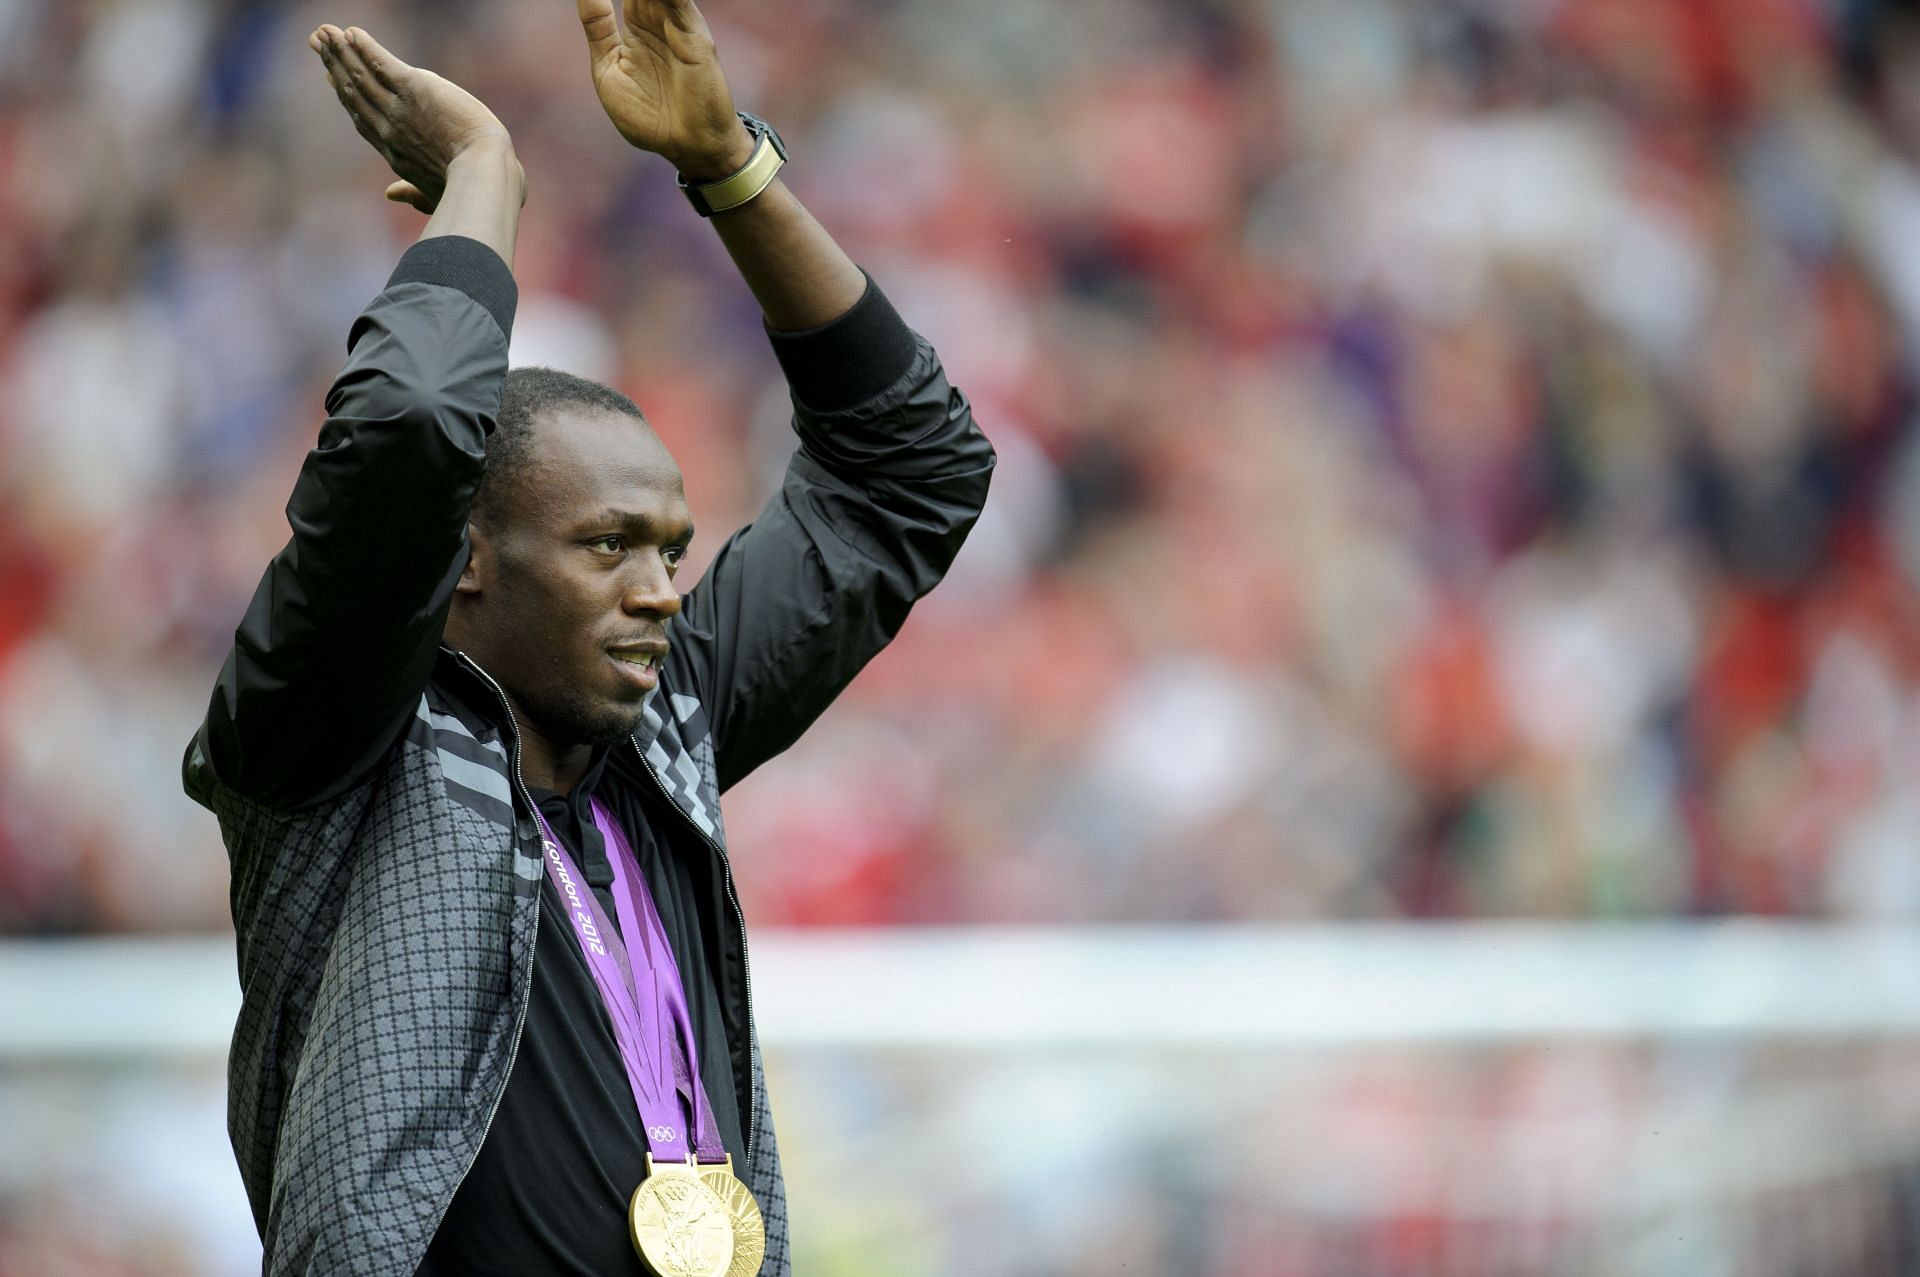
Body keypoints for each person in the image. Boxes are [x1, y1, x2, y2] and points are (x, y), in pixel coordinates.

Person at [181, 3, 994, 1273]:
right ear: (461, 561)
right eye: (607, 545)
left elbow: (914, 471)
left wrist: (731, 167)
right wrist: (486, 181)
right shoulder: (331, 739)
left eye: (671, 550)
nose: (664, 588)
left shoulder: (666, 727)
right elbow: (411, 425)